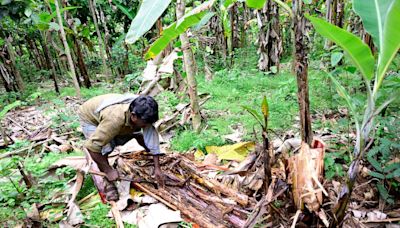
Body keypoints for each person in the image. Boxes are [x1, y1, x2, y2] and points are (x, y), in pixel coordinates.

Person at [78, 94, 164, 201]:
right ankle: (108, 182)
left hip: (109, 110)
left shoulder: (144, 111)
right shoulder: (114, 120)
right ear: (133, 116)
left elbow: (151, 135)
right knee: (105, 147)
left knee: (136, 133)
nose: (146, 126)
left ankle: (146, 149)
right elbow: (92, 147)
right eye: (145, 124)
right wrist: (108, 170)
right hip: (90, 116)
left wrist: (157, 167)